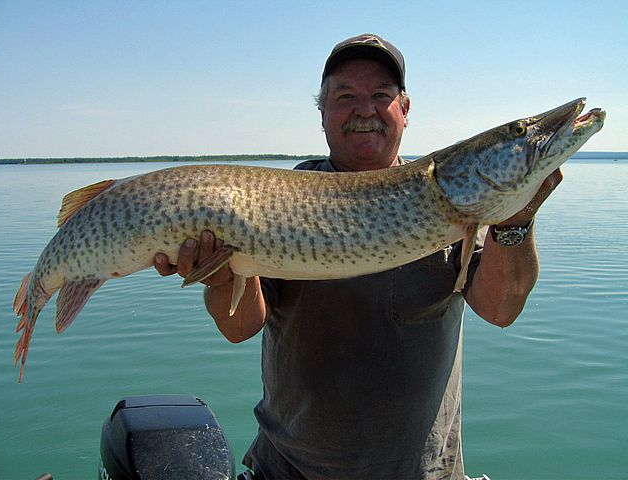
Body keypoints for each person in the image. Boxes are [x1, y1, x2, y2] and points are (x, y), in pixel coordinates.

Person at [154, 33, 563, 480]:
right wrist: (218, 275)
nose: (364, 110)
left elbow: (501, 309)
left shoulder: (450, 200)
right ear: (323, 114)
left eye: (380, 96)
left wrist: (514, 222)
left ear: (404, 110)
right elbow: (239, 326)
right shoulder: (273, 202)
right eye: (346, 96)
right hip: (290, 470)